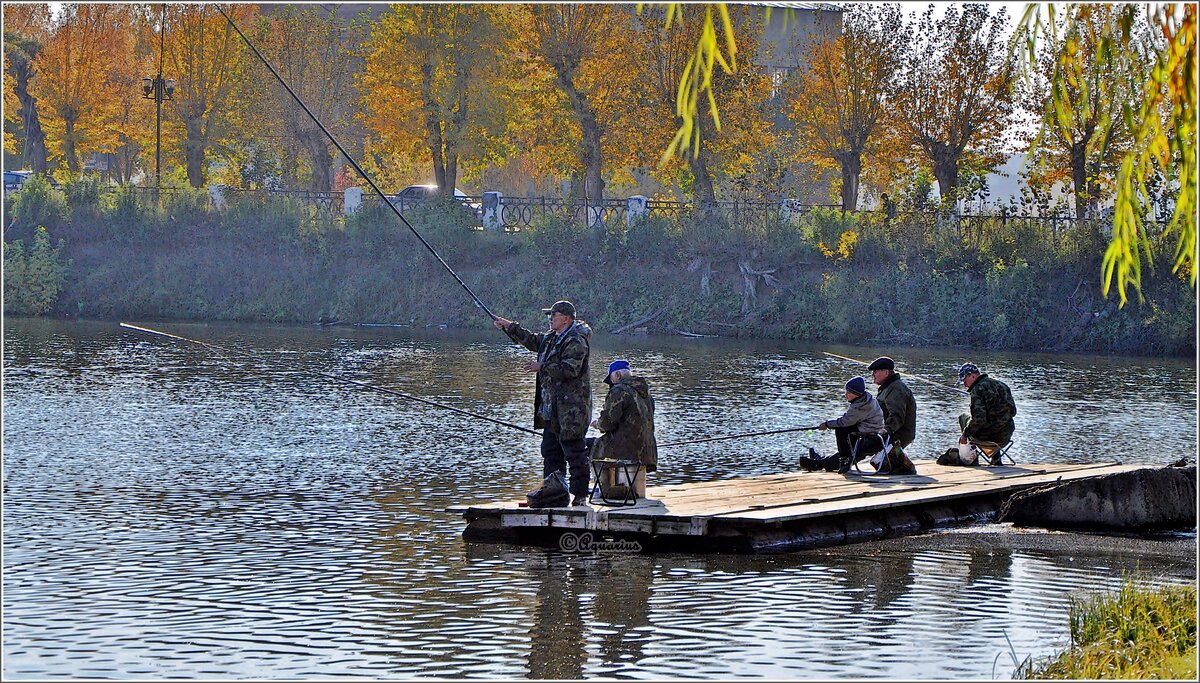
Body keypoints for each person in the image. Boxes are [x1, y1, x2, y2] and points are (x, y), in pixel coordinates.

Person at [493, 300, 593, 506]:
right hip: (550, 410)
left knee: (574, 452)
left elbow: (570, 369)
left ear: (566, 318)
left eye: (553, 315)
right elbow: (531, 340)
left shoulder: (576, 340)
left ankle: (581, 497)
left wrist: (542, 366)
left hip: (571, 411)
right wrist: (509, 326)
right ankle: (556, 494)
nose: (549, 319)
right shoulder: (550, 338)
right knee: (550, 452)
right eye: (549, 315)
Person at [590, 359, 657, 499]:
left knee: (591, 446)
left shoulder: (619, 391)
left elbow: (608, 422)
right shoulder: (646, 393)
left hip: (628, 449)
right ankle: (616, 487)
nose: (611, 384)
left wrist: (598, 425)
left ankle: (602, 489)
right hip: (648, 449)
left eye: (612, 379)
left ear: (618, 376)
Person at [799, 376, 886, 474]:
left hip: (869, 433)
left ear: (856, 394)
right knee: (844, 430)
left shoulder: (860, 406)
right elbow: (849, 420)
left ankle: (843, 460)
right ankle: (833, 459)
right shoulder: (866, 398)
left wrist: (827, 424)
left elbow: (845, 421)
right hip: (866, 427)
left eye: (848, 393)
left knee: (841, 430)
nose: (845, 395)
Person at [950, 362, 1017, 466]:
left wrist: (964, 435)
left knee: (963, 418)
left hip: (987, 438)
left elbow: (978, 420)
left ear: (972, 375)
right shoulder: (1002, 385)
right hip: (1005, 436)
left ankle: (973, 459)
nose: (964, 385)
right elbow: (1013, 412)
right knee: (995, 423)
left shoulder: (977, 390)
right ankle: (996, 459)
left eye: (965, 380)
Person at [868, 356, 918, 475]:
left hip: (897, 434)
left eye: (875, 372)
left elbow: (897, 416)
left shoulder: (896, 388)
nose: (873, 375)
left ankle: (901, 461)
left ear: (886, 372)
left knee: (872, 456)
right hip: (888, 432)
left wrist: (885, 430)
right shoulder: (887, 388)